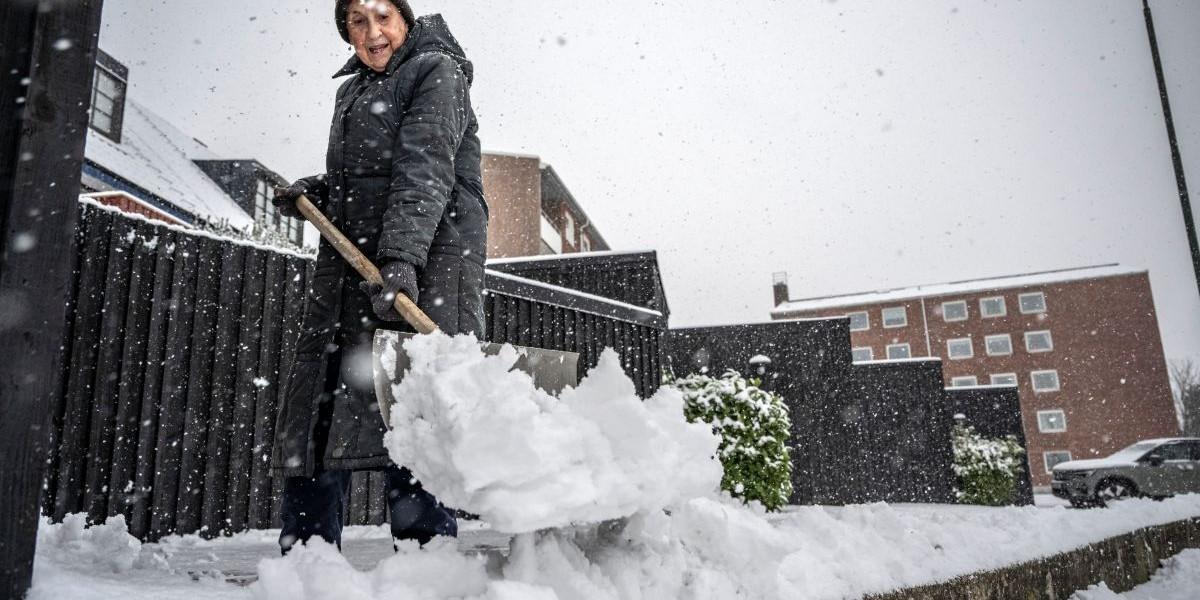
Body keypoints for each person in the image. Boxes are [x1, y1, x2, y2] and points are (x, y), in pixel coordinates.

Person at [269, 0, 487, 554]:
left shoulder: (436, 70)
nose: (373, 33)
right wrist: (321, 191)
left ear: (405, 20)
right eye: (357, 22)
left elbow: (425, 167)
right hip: (356, 269)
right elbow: (368, 175)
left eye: (383, 16)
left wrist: (403, 259)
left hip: (427, 265)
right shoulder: (352, 91)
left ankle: (426, 568)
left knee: (414, 409)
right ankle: (307, 563)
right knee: (319, 407)